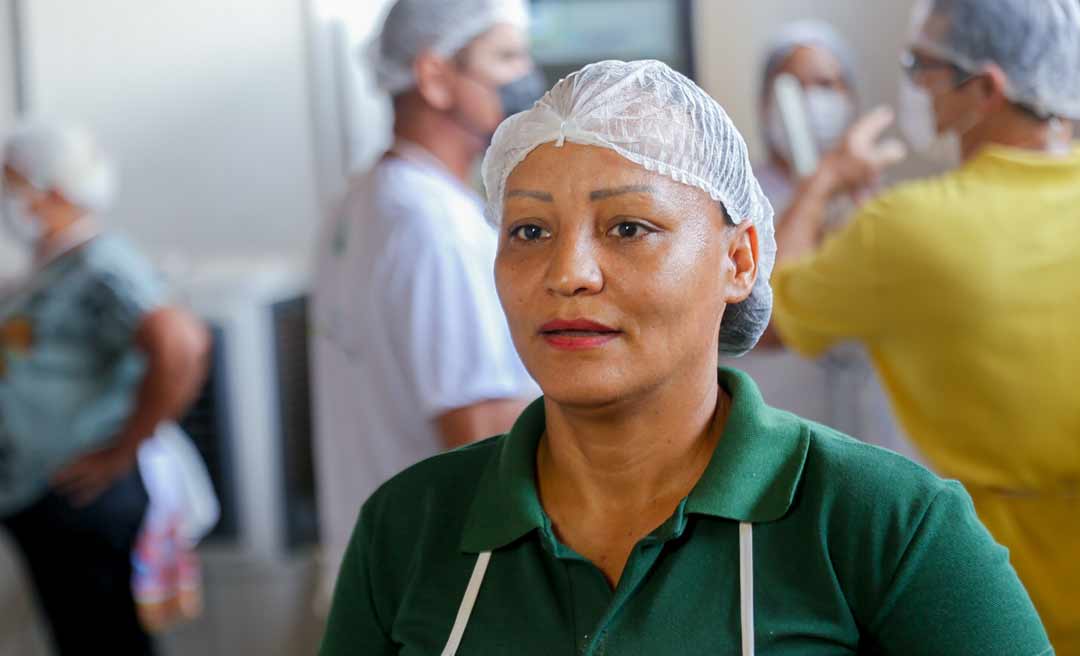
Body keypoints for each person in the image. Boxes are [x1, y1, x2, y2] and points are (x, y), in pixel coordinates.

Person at [319, 59, 1050, 655]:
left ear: (739, 261)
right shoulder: (408, 528)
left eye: (628, 226)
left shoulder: (886, 527)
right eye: (530, 232)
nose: (568, 272)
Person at [769, 0, 1080, 650]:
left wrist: (826, 178)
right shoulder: (902, 232)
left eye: (924, 67)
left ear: (987, 88)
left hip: (1005, 607)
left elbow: (762, 311)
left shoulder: (908, 231)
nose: (914, 84)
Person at [310, 0, 542, 606]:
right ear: (436, 76)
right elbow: (484, 433)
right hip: (449, 585)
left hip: (385, 570)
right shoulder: (435, 226)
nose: (526, 74)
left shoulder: (363, 202)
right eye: (506, 55)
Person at [0, 122, 210, 655]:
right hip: (40, 492)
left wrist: (124, 448)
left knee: (106, 640)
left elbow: (180, 341)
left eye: (11, 182)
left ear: (51, 191)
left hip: (86, 492)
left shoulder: (100, 262)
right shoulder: (49, 267)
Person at [740, 21, 914, 460]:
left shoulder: (881, 209)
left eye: (825, 84)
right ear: (765, 103)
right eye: (791, 85)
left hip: (871, 445)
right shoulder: (736, 204)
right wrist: (820, 183)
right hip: (776, 438)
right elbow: (766, 311)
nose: (809, 99)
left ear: (849, 97)